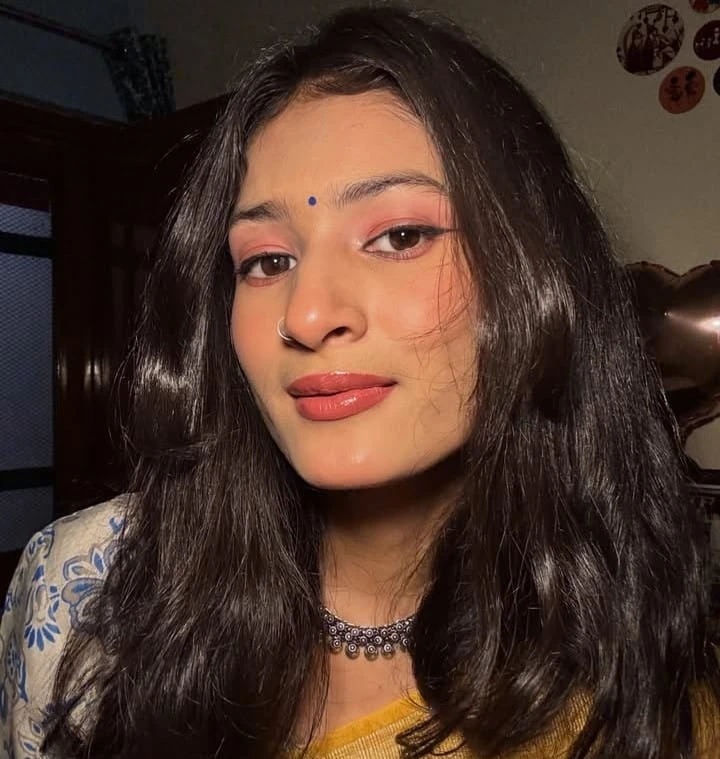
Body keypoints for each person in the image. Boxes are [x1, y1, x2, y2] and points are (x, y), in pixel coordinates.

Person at [1, 5, 719, 758]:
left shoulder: (639, 704)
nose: (307, 315)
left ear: (537, 273)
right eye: (267, 260)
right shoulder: (81, 589)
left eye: (400, 236)